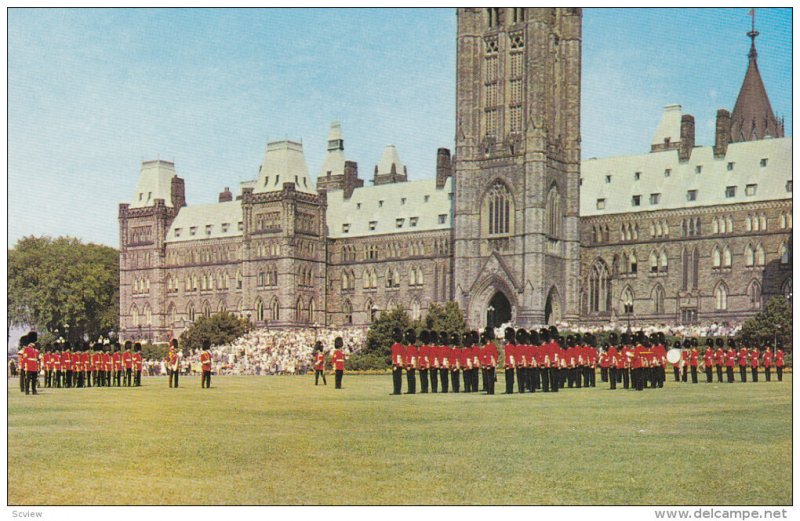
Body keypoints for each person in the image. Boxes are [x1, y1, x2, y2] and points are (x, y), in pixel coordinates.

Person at [404, 329, 417, 395]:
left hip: (411, 364)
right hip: (410, 364)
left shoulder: (411, 347)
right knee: (410, 377)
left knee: (411, 377)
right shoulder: (412, 347)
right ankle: (411, 389)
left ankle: (411, 390)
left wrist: (409, 365)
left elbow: (412, 357)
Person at [503, 327, 516, 394]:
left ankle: (510, 390)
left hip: (510, 363)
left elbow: (512, 356)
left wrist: (511, 364)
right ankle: (508, 389)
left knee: (510, 377)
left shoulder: (511, 346)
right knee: (507, 377)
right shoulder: (507, 346)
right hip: (508, 362)